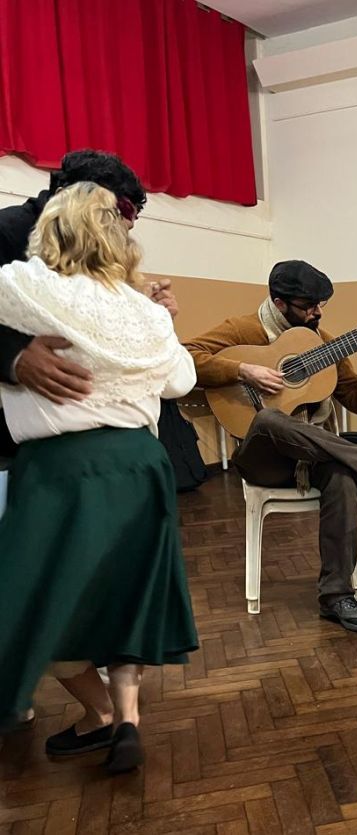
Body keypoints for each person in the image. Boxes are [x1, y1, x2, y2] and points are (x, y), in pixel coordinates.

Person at [0, 182, 199, 772]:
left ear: (49, 233)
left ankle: (99, 713)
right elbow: (180, 383)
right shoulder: (144, 311)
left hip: (66, 469)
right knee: (124, 597)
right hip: (141, 466)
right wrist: (153, 315)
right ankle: (126, 718)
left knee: (45, 604)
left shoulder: (26, 287)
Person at [184, 260, 357, 633]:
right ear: (280, 303)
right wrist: (243, 370)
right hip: (262, 458)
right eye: (308, 305)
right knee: (267, 419)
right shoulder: (243, 329)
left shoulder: (324, 342)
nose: (317, 313)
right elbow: (186, 355)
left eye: (320, 305)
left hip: (310, 455)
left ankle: (336, 598)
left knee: (342, 476)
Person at [0, 149, 177, 453]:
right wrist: (13, 356)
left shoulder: (100, 246)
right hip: (26, 429)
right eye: (120, 211)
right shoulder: (7, 230)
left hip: (87, 428)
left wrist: (145, 316)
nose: (128, 226)